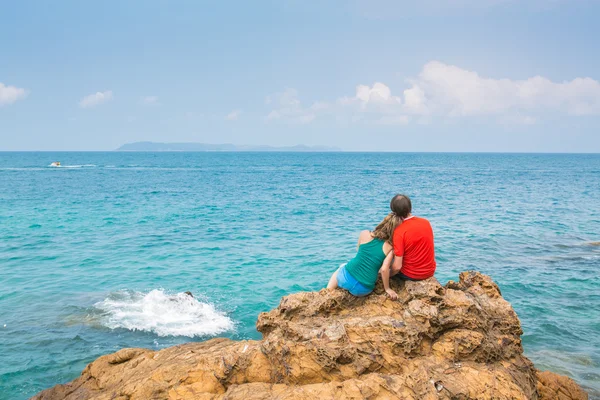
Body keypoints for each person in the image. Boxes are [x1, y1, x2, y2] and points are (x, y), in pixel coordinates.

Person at [327, 213, 399, 299]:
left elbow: (359, 252)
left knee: (342, 267)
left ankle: (327, 292)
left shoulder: (364, 233)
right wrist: (387, 288)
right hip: (362, 290)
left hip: (344, 279)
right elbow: (384, 269)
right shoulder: (391, 248)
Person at [387, 194, 436, 283]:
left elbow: (397, 267)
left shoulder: (399, 231)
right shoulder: (426, 222)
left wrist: (387, 274)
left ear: (394, 211)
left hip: (411, 275)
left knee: (387, 256)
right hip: (429, 272)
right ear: (410, 207)